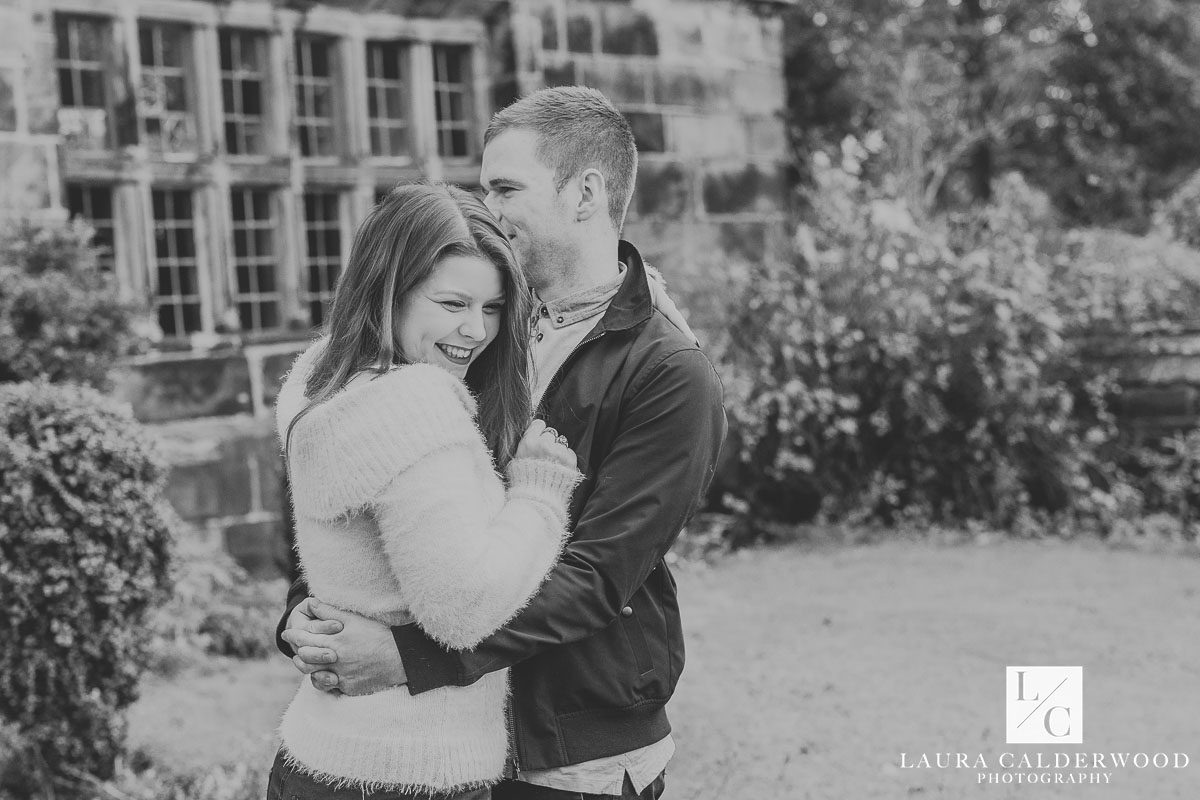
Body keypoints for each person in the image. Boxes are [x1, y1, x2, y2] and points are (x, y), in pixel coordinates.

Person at [279, 86, 728, 800]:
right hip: (446, 742)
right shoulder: (477, 330)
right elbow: (365, 481)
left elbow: (598, 579)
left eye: (504, 188)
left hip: (569, 749)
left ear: (585, 192)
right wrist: (311, 611)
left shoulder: (670, 373)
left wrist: (405, 659)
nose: (486, 207)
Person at [267, 182, 583, 800]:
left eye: (492, 308)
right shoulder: (414, 405)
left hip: (319, 755)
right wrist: (539, 493)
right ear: (391, 291)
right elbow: (465, 608)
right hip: (408, 771)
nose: (476, 330)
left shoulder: (323, 381)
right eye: (452, 303)